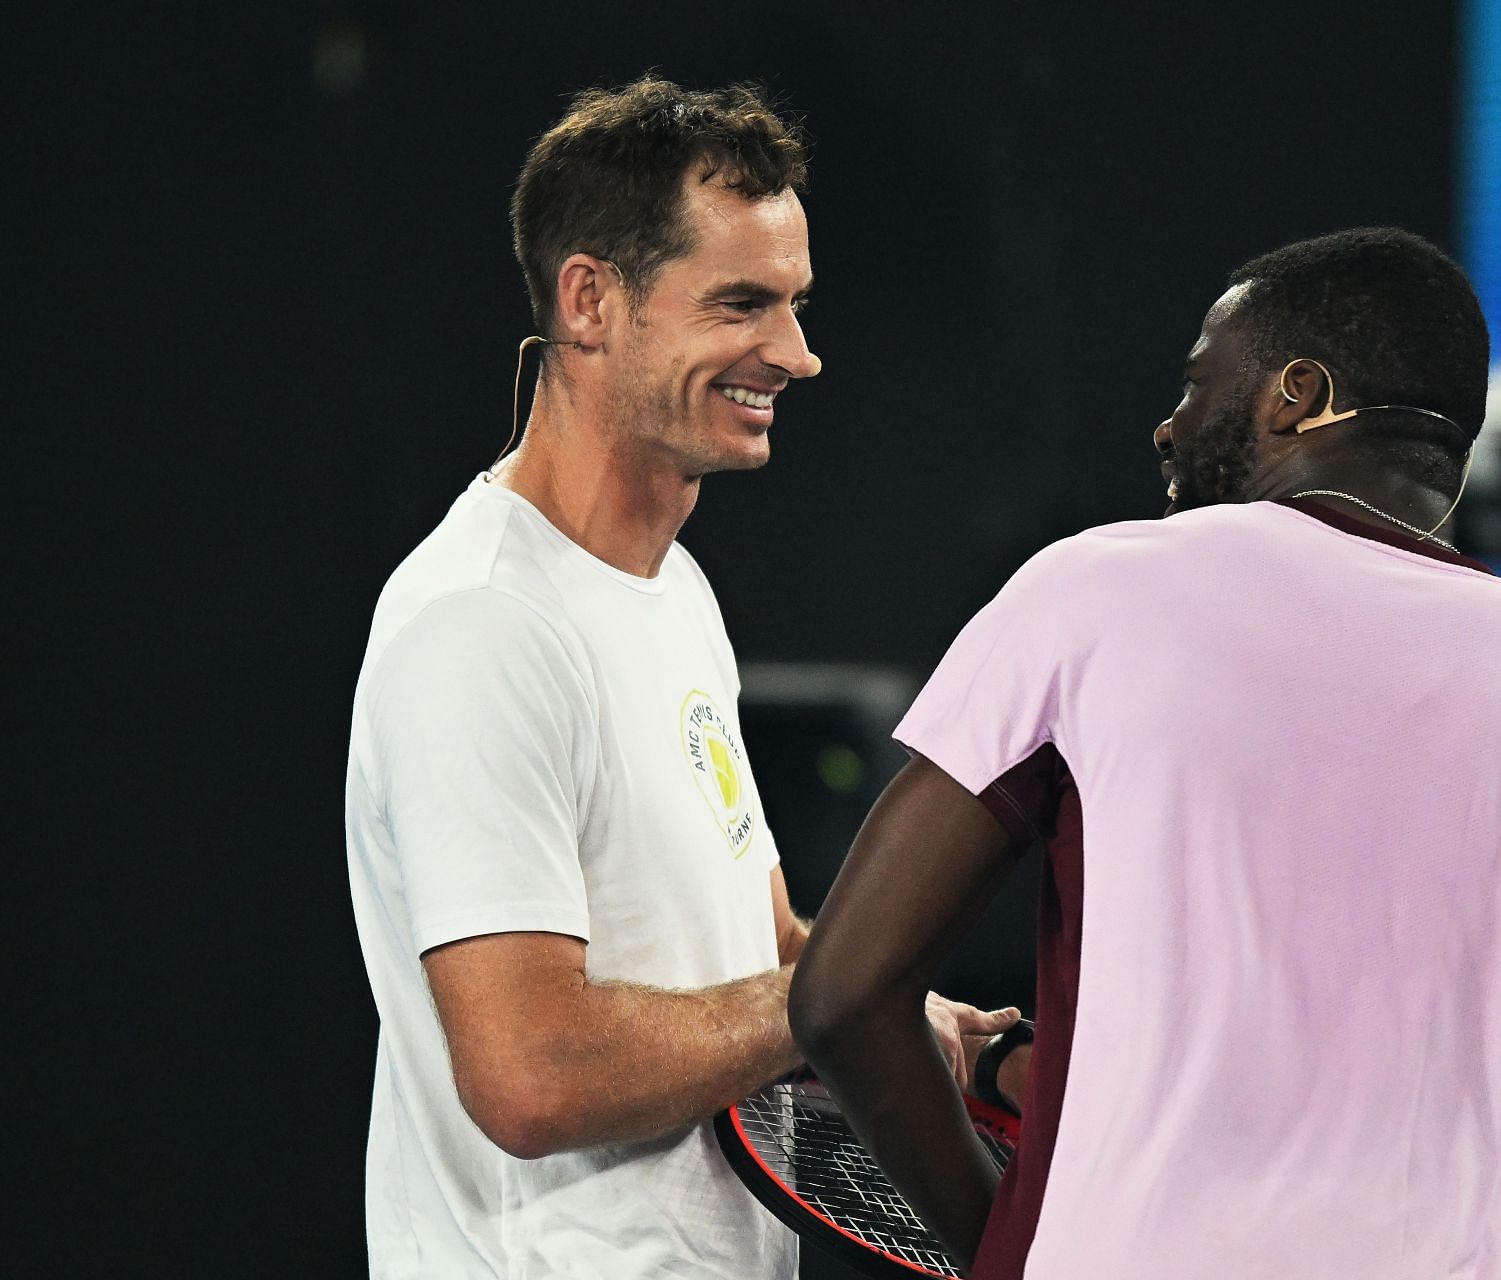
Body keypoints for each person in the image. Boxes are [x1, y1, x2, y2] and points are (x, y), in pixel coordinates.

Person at [791, 228, 1501, 1280]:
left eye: (1196, 384)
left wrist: (1003, 1249)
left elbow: (844, 995)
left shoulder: (1092, 595)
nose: (1167, 426)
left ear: (1297, 395)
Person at [343, 77, 1016, 1279]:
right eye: (742, 305)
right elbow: (530, 1072)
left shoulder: (674, 590)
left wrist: (894, 1016)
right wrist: (834, 1003)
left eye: (798, 303)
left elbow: (749, 943)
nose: (799, 355)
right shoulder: (483, 624)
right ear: (591, 300)